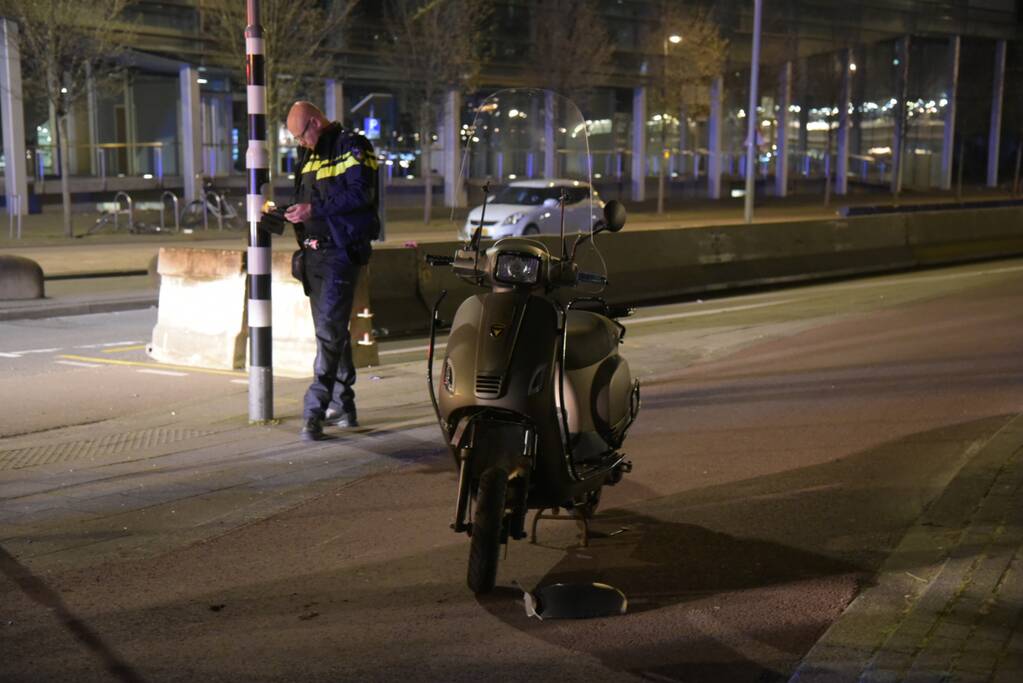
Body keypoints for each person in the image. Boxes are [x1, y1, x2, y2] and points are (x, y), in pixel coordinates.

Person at [284, 101, 380, 441]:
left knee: (328, 333)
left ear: (315, 122)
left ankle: (314, 410)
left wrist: (315, 208)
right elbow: (307, 203)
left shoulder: (354, 146)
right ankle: (343, 405)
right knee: (332, 332)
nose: (300, 143)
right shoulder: (309, 159)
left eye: (300, 135)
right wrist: (288, 214)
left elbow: (361, 193)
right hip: (313, 257)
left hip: (341, 252)